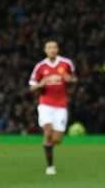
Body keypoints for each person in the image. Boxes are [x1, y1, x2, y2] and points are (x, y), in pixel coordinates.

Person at [28, 39, 77, 175]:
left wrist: (70, 80)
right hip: (45, 104)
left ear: (58, 49)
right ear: (45, 50)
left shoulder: (66, 63)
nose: (52, 50)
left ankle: (47, 145)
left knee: (56, 139)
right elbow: (31, 87)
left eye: (54, 47)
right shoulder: (40, 66)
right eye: (49, 48)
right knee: (48, 132)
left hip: (61, 105)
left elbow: (74, 78)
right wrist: (40, 84)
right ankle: (50, 166)